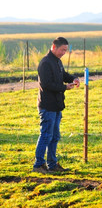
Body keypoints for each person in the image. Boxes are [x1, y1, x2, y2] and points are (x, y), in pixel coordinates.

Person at [33, 37, 80, 174]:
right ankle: (38, 165)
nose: (64, 53)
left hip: (57, 105)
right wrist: (65, 87)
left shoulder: (57, 61)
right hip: (47, 106)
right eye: (62, 50)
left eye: (65, 50)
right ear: (54, 47)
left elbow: (63, 75)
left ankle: (52, 164)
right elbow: (47, 84)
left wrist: (73, 78)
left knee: (54, 136)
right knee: (46, 135)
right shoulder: (45, 63)